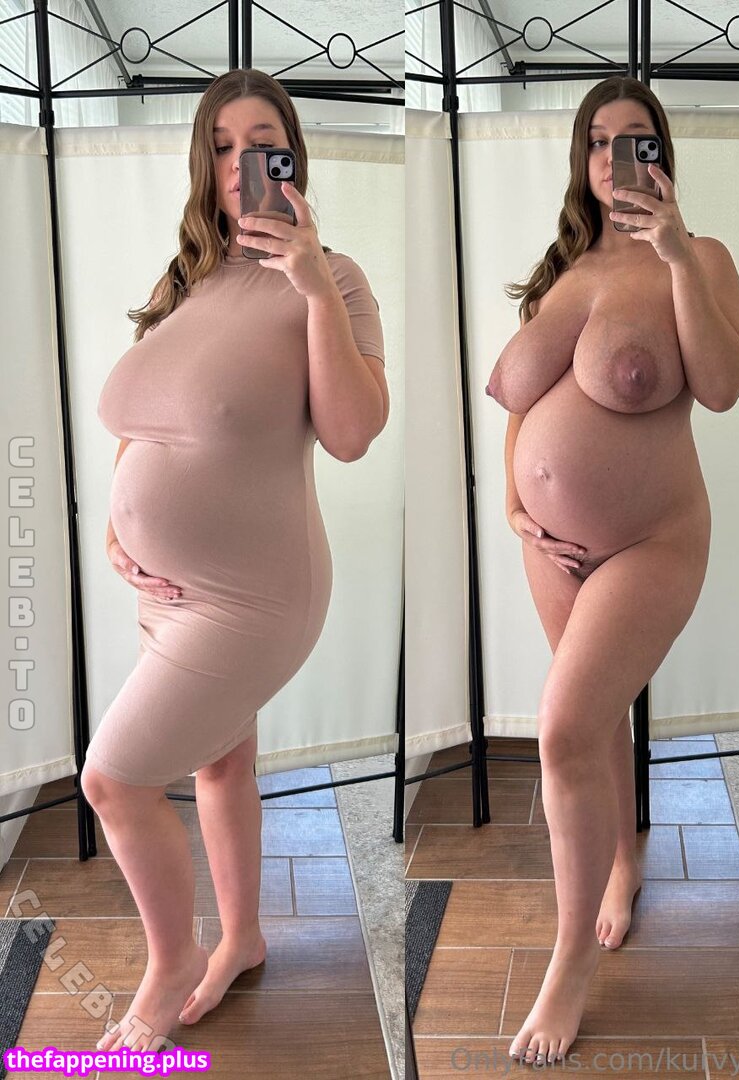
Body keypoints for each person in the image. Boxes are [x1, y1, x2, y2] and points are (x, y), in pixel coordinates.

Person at [81, 68, 389, 1053]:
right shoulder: (188, 278)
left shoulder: (335, 278)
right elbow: (144, 422)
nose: (239, 163)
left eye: (262, 144)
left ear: (292, 158)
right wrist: (120, 531)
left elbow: (353, 433)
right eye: (221, 145)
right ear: (202, 162)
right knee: (221, 761)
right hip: (166, 594)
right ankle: (243, 938)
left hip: (254, 596)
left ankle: (169, 964)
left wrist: (309, 284)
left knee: (112, 782)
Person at [486, 75, 739, 1066]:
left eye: (633, 139)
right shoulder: (562, 269)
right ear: (582, 160)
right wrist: (514, 504)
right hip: (550, 549)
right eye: (597, 141)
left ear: (662, 155)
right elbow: (517, 403)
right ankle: (623, 858)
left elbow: (724, 386)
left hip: (653, 540)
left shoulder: (699, 257)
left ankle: (567, 966)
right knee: (593, 719)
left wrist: (676, 252)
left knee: (561, 728)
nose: (613, 158)